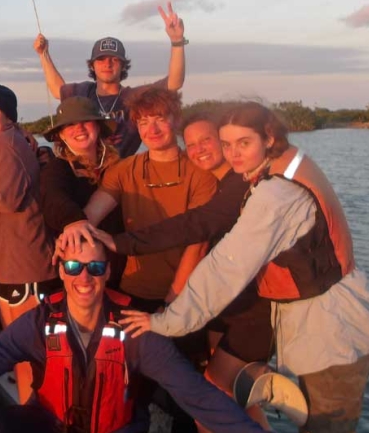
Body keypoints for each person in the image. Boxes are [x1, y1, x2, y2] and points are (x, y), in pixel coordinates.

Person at [120, 102, 369, 433]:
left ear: (269, 137)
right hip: (317, 325)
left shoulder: (277, 194)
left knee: (329, 425)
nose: (233, 154)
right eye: (227, 144)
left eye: (243, 143)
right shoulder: (280, 167)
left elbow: (226, 266)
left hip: (334, 332)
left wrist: (165, 322)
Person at [0, 237, 266, 433]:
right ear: (60, 271)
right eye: (73, 268)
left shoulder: (136, 332)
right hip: (49, 424)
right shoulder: (37, 324)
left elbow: (196, 395)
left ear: (107, 274)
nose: (84, 278)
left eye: (96, 268)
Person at [91, 112, 273, 429]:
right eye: (193, 144)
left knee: (213, 395)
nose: (200, 148)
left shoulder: (241, 185)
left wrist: (123, 244)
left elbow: (194, 229)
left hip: (250, 308)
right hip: (218, 304)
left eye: (208, 140)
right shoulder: (226, 181)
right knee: (232, 393)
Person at [0, 83, 59, 403]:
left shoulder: (5, 143)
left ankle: (38, 416)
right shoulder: (7, 142)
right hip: (15, 266)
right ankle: (31, 413)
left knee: (29, 355)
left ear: (9, 118)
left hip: (25, 267)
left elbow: (6, 201)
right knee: (24, 353)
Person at [33, 2, 186, 157]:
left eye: (114, 59)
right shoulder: (82, 92)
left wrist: (177, 41)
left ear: (123, 65)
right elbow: (57, 89)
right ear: (92, 65)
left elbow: (174, 83)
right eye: (101, 59)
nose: (107, 64)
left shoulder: (134, 97)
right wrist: (43, 54)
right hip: (84, 172)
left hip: (119, 173)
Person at [39, 96, 126, 289]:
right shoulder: (57, 168)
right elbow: (52, 197)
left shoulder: (121, 167)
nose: (78, 128)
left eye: (85, 121)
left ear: (98, 127)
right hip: (81, 272)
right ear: (61, 134)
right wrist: (73, 221)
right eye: (70, 124)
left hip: (122, 269)